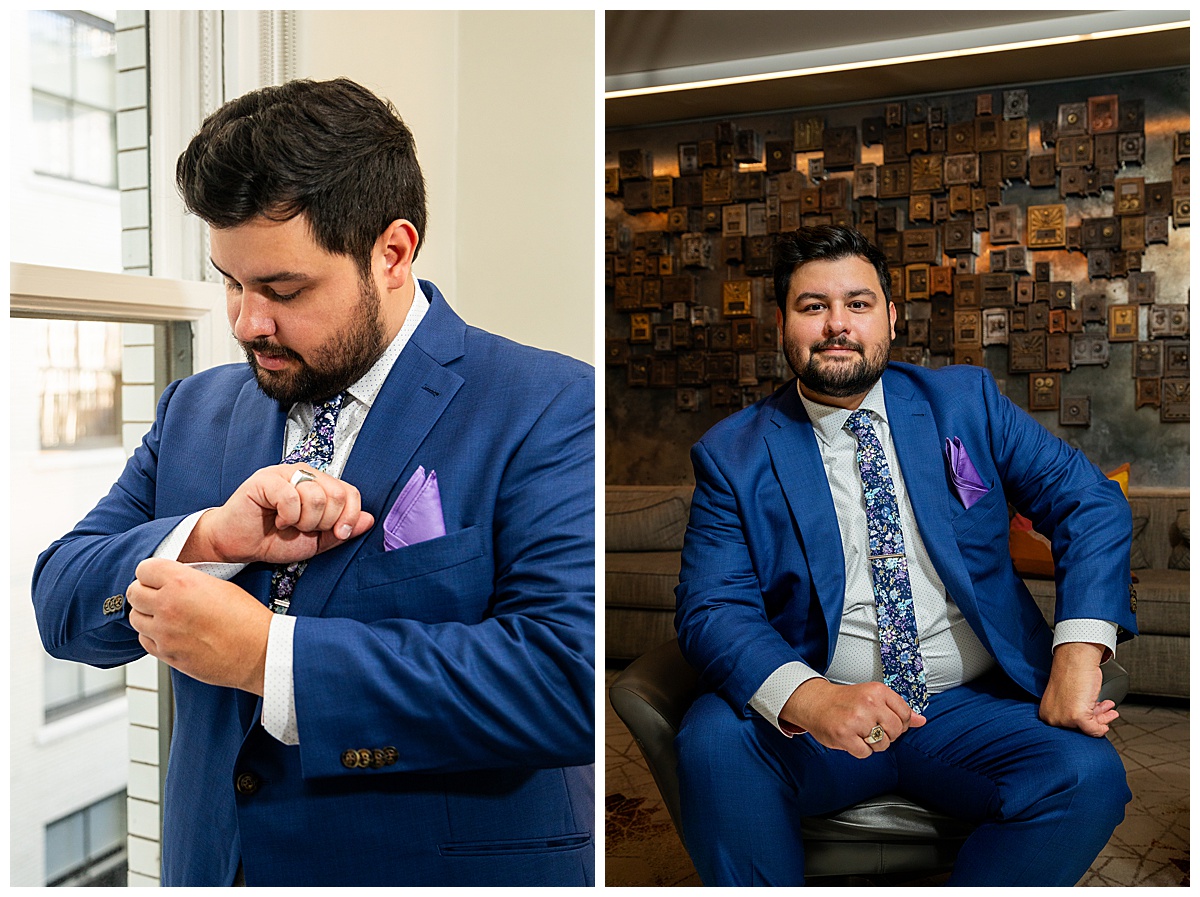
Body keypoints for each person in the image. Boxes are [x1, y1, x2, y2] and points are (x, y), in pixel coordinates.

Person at [32, 78, 594, 887]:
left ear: (392, 252)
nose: (246, 322)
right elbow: (61, 603)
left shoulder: (549, 402)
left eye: (283, 290)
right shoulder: (196, 408)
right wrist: (210, 539)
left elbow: (566, 680)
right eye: (231, 281)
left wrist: (271, 657)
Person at [673, 225, 1137, 886]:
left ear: (891, 316)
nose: (838, 324)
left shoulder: (963, 403)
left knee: (1086, 775)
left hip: (966, 706)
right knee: (714, 741)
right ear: (782, 323)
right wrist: (810, 697)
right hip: (823, 718)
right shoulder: (732, 455)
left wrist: (1076, 652)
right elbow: (711, 606)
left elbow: (1089, 501)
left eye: (858, 304)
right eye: (813, 306)